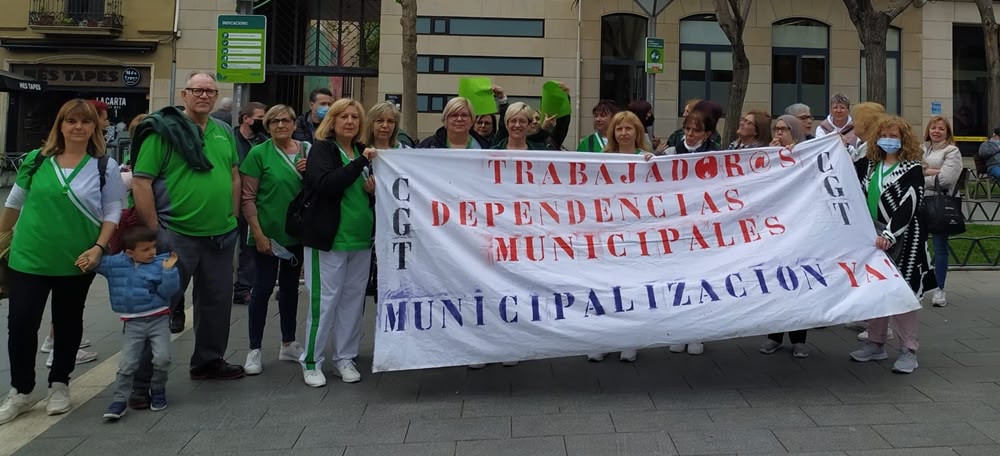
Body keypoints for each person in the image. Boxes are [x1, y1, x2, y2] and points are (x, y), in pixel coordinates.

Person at [0, 99, 126, 425]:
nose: (78, 127)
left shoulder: (104, 166)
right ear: (61, 124)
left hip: (78, 258)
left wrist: (100, 246)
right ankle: (21, 391)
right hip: (28, 257)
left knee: (68, 323)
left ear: (94, 128)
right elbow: (14, 204)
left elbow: (113, 210)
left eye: (85, 122)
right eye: (71, 121)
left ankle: (60, 384)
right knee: (21, 324)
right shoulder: (36, 160)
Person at [130, 71, 245, 401]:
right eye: (198, 90)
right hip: (177, 235)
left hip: (221, 236)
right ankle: (142, 382)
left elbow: (234, 175)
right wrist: (155, 232)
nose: (204, 96)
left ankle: (208, 362)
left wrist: (233, 216)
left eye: (210, 91)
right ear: (184, 94)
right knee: (158, 308)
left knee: (216, 305)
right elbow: (141, 182)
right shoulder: (163, 131)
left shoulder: (223, 131)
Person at [849, 116, 936, 374]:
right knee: (876, 290)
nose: (889, 140)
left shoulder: (912, 169)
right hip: (871, 238)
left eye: (894, 136)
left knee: (901, 292)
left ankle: (909, 350)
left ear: (904, 139)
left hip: (904, 239)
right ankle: (876, 343)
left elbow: (909, 204)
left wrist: (890, 232)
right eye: (884, 135)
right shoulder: (868, 165)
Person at [299, 98, 377, 387]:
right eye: (343, 116)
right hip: (329, 240)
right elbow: (326, 185)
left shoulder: (359, 150)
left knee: (352, 302)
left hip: (359, 239)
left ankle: (344, 357)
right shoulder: (323, 149)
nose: (349, 121)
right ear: (331, 121)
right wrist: (360, 164)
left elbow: (364, 192)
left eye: (355, 117)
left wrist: (372, 192)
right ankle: (311, 361)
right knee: (324, 303)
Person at [240, 104, 309, 376]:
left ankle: (288, 342)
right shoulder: (259, 154)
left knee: (291, 290)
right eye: (275, 121)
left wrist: (309, 172)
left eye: (286, 120)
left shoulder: (307, 151)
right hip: (267, 234)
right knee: (262, 289)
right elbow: (247, 197)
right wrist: (257, 233)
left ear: (294, 124)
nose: (281, 125)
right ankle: (254, 349)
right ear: (267, 126)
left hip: (297, 234)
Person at [95, 227, 180, 420]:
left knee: (162, 358)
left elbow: (169, 292)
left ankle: (158, 389)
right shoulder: (116, 264)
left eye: (153, 247)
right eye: (145, 249)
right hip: (133, 323)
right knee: (127, 363)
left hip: (158, 319)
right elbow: (96, 261)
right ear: (129, 253)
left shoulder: (161, 263)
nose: (152, 252)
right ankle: (119, 400)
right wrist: (87, 257)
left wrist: (169, 271)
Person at [586, 111, 650, 363]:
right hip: (607, 233)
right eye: (619, 129)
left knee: (630, 287)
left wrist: (652, 163)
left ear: (637, 133)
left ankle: (629, 340)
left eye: (628, 129)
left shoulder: (647, 160)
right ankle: (601, 339)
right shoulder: (602, 161)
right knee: (604, 287)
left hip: (635, 234)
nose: (624, 133)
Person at [759, 115, 811, 358]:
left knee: (797, 283)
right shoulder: (767, 155)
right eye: (776, 129)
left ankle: (799, 338)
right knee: (775, 283)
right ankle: (774, 336)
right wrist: (768, 159)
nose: (779, 133)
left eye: (784, 129)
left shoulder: (806, 154)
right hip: (773, 230)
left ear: (795, 132)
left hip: (798, 228)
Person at [921, 116, 962, 307]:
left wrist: (923, 174)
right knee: (919, 246)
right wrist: (931, 171)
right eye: (933, 128)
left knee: (939, 246)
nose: (936, 131)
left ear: (947, 132)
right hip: (921, 202)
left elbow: (946, 179)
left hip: (940, 202)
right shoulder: (922, 149)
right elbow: (911, 170)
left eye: (941, 129)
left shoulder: (952, 151)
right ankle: (918, 286)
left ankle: (939, 289)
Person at [233, 101, 268, 306]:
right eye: (259, 117)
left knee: (248, 247)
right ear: (246, 118)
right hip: (229, 201)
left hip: (251, 201)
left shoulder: (263, 142)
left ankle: (243, 288)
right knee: (226, 246)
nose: (262, 122)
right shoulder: (230, 138)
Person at [417, 97, 489, 149]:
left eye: (464, 115)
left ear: (472, 120)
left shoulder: (485, 147)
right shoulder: (428, 145)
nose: (459, 119)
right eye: (454, 115)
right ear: (445, 120)